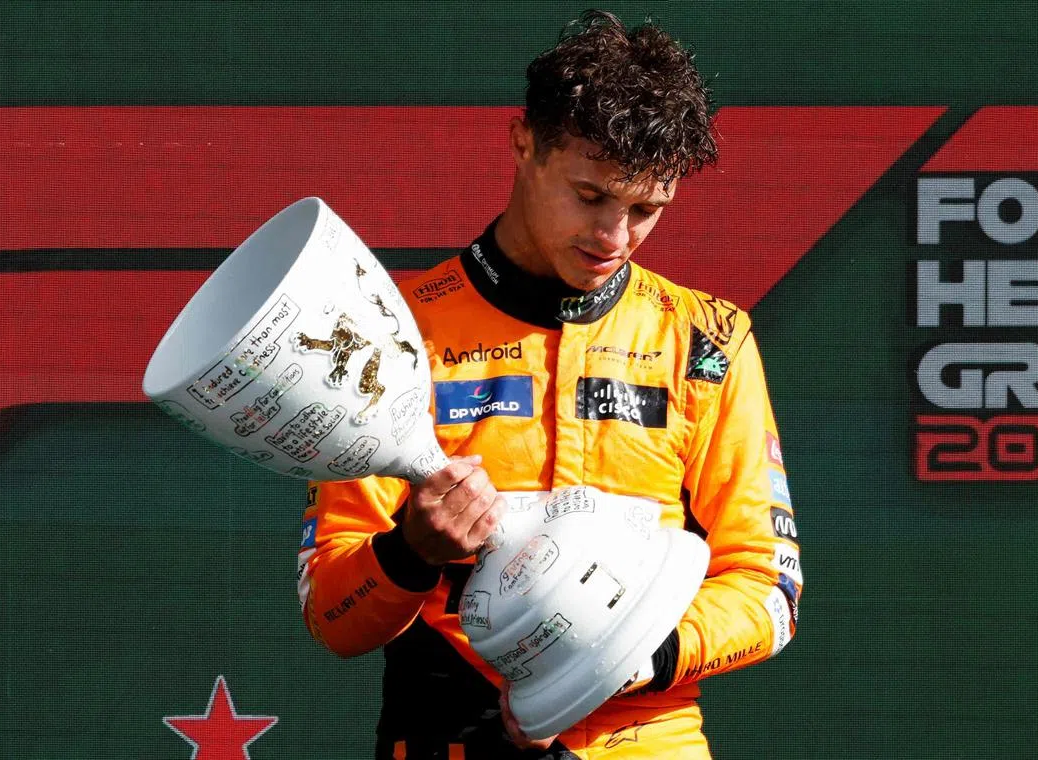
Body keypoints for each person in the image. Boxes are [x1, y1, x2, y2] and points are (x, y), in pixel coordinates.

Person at [296, 9, 802, 759]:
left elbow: (770, 589)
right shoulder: (393, 334)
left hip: (648, 738)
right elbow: (333, 616)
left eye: (645, 210)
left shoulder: (708, 339)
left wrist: (640, 658)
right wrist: (409, 552)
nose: (614, 238)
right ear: (523, 143)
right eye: (591, 196)